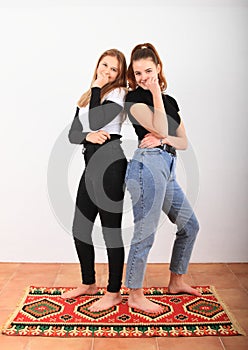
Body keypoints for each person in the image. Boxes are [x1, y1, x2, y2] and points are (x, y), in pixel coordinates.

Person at [124, 43, 201, 314]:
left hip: (168, 167)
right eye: (138, 73)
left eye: (148, 70)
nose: (144, 77)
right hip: (147, 166)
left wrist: (165, 137)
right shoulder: (133, 99)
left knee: (190, 225)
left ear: (158, 67)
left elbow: (183, 142)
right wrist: (155, 92)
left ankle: (176, 281)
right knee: (145, 232)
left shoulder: (171, 102)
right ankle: (134, 294)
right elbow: (158, 126)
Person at [62, 49, 127, 312]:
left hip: (110, 163)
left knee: (111, 230)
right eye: (105, 65)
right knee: (81, 228)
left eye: (114, 69)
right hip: (91, 163)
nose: (108, 71)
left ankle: (113, 292)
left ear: (119, 74)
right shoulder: (88, 97)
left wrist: (99, 86)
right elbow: (73, 133)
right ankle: (88, 283)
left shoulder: (118, 93)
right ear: (97, 65)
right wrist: (88, 136)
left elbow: (99, 119)